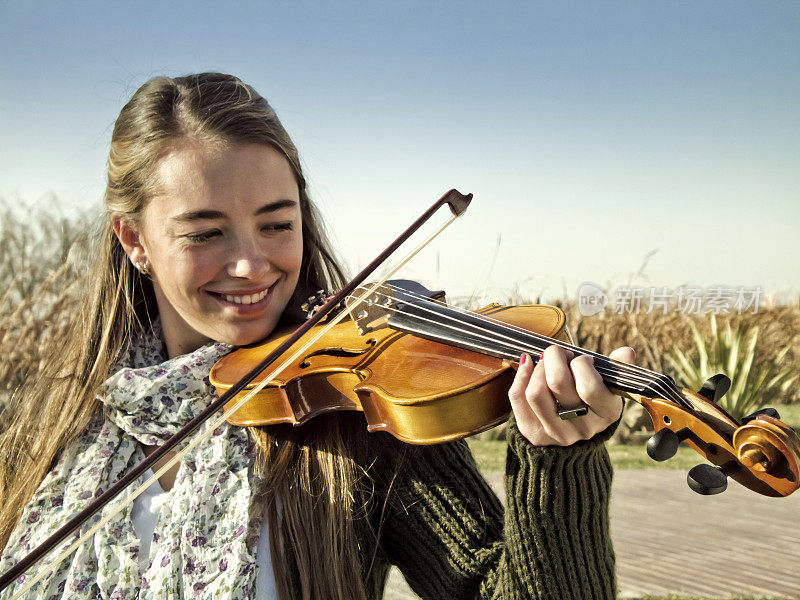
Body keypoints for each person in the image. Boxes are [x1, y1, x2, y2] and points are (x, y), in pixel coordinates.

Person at [0, 72, 635, 600]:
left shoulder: (361, 415)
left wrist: (560, 462)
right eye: (205, 233)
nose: (252, 266)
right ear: (133, 240)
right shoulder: (57, 422)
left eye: (277, 225)